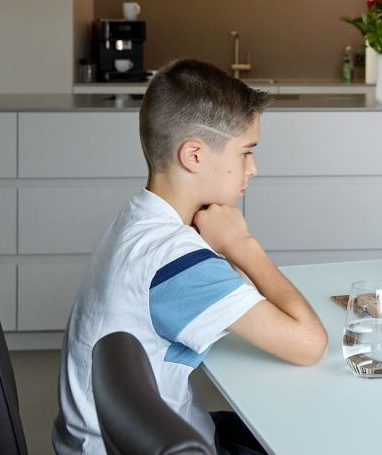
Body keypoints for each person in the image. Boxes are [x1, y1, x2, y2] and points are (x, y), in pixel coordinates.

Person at [54, 59, 328, 454]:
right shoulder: (175, 260)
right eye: (246, 152)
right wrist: (242, 245)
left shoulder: (138, 219)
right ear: (194, 156)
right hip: (151, 444)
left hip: (132, 436)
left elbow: (236, 294)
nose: (253, 168)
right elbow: (309, 344)